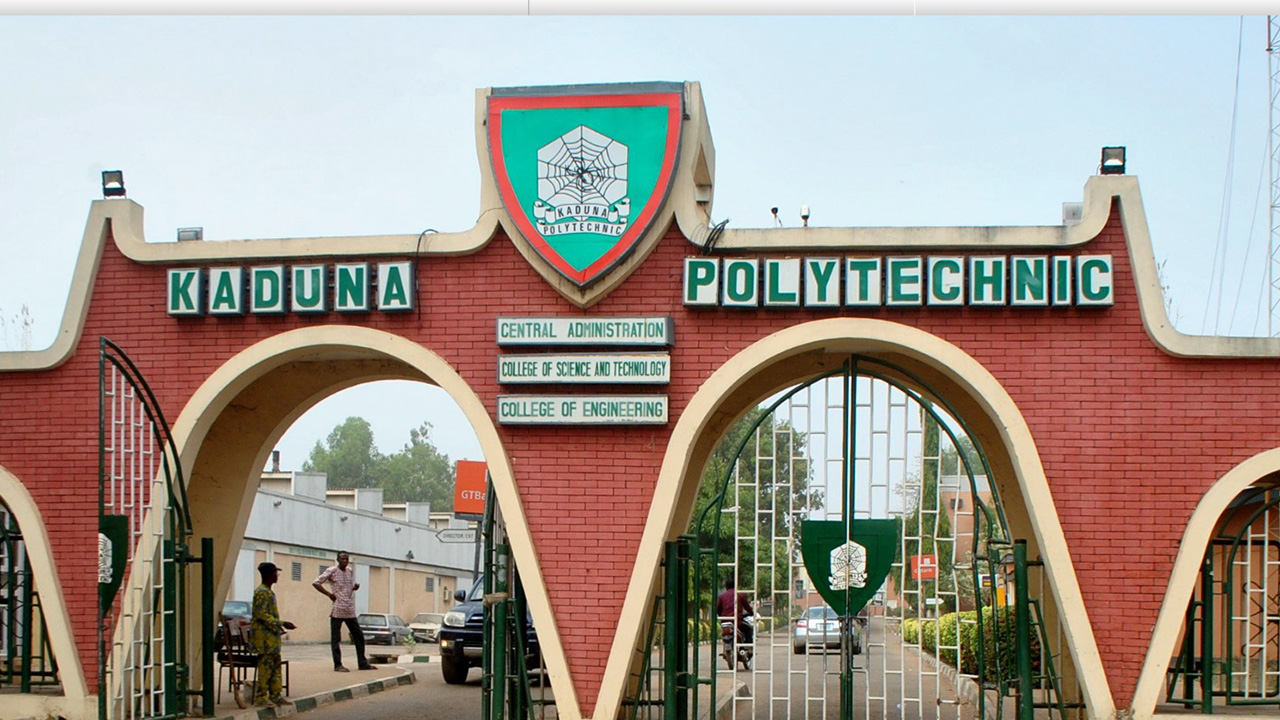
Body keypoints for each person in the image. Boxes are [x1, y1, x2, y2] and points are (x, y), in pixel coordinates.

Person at [313, 550, 375, 672]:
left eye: (346, 559)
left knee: (359, 636)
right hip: (338, 608)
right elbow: (316, 583)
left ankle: (362, 663)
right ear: (338, 560)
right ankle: (338, 664)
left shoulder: (349, 571)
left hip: (349, 608)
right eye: (342, 559)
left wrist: (353, 588)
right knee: (336, 638)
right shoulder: (332, 571)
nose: (345, 561)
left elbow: (346, 589)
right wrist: (329, 594)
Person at [249, 561, 295, 707]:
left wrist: (278, 627)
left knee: (275, 667)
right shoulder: (261, 592)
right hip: (264, 639)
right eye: (275, 573)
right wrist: (281, 623)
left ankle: (275, 695)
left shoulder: (268, 592)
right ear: (269, 575)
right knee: (265, 668)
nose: (277, 576)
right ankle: (261, 697)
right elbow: (261, 615)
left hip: (272, 638)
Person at [716, 577, 754, 644]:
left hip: (725, 622)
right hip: (737, 621)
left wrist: (722, 616)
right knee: (749, 628)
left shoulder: (722, 596)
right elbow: (747, 607)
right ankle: (747, 647)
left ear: (726, 586)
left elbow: (718, 609)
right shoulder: (740, 595)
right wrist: (751, 612)